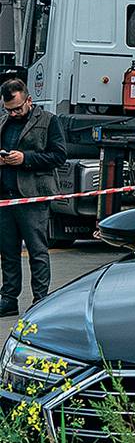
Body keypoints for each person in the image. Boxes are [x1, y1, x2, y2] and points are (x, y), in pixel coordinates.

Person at [0, 78, 66, 316]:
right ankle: (8, 299)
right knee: (8, 252)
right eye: (9, 110)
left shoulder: (49, 121)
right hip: (6, 198)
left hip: (33, 197)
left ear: (29, 100)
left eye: (18, 108)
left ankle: (40, 300)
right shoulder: (3, 122)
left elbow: (59, 156)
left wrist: (25, 159)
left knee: (37, 251)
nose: (14, 113)